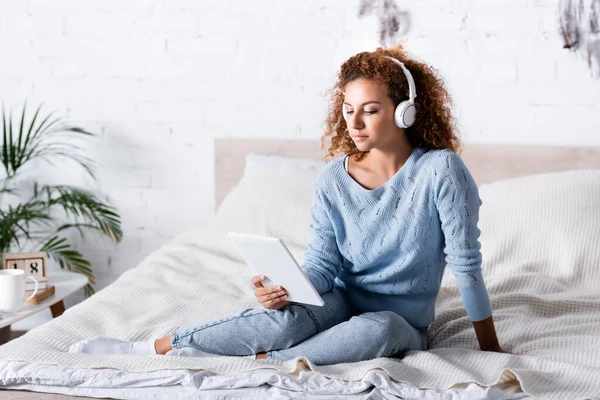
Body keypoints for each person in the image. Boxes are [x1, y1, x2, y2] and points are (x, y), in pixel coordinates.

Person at [69, 44, 508, 364]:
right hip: (340, 299)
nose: (353, 123)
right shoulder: (333, 180)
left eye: (369, 110)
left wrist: (491, 350)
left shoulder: (440, 171)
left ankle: (268, 364)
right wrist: (286, 289)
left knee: (380, 328)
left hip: (402, 321)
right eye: (348, 109)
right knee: (286, 320)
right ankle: (154, 347)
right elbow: (322, 266)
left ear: (405, 112)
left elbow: (466, 266)